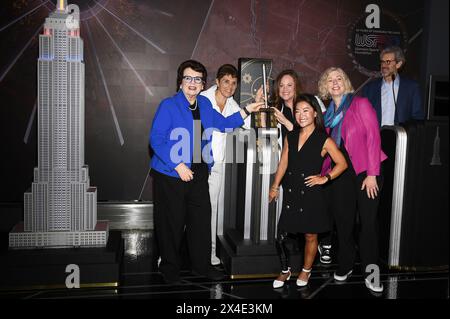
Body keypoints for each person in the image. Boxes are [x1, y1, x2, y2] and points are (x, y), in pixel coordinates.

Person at [149, 59, 264, 284]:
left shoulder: (204, 103)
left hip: (200, 172)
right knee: (171, 223)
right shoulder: (168, 105)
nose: (193, 83)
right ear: (180, 82)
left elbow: (224, 124)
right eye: (188, 78)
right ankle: (170, 268)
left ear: (203, 84)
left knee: (201, 222)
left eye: (198, 79)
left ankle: (201, 267)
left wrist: (248, 109)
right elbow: (156, 139)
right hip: (171, 174)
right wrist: (177, 165)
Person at [318, 67, 388, 293]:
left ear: (346, 82)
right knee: (344, 222)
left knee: (368, 223)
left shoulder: (360, 104)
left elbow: (373, 138)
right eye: (330, 79)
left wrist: (371, 174)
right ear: (325, 86)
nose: (335, 82)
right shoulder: (328, 113)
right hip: (341, 173)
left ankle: (372, 272)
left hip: (366, 170)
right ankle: (346, 264)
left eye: (339, 78)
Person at [269, 93, 347, 289]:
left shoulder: (323, 139)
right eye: (297, 111)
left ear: (314, 113)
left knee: (310, 236)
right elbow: (283, 162)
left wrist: (325, 178)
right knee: (282, 235)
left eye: (306, 111)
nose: (301, 115)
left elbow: (342, 163)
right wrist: (274, 186)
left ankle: (306, 269)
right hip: (291, 191)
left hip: (312, 194)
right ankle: (285, 270)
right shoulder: (291, 135)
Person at [200, 64, 250, 266]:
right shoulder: (203, 98)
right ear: (217, 81)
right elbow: (220, 124)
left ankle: (210, 252)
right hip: (197, 163)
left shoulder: (232, 104)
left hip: (217, 167)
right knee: (186, 210)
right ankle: (171, 253)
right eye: (226, 81)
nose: (230, 87)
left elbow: (248, 125)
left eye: (234, 83)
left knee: (212, 210)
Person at [362, 46, 425, 126]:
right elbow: (362, 117)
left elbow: (418, 118)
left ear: (398, 64)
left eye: (388, 62)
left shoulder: (412, 88)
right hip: (376, 137)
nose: (383, 66)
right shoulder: (369, 89)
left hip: (400, 137)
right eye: (382, 62)